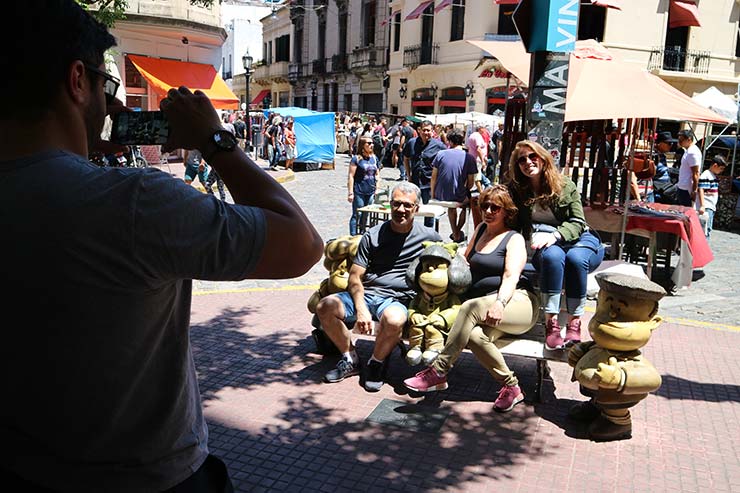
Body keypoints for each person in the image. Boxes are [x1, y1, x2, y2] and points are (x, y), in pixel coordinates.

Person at [0, 2, 323, 490]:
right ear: (77, 81)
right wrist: (215, 141)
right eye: (107, 88)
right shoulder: (134, 203)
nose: (113, 107)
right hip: (148, 475)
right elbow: (301, 245)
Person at [403, 185, 540, 412]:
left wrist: (499, 303)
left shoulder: (513, 239)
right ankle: (512, 387)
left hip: (517, 303)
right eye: (484, 205)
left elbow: (510, 276)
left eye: (494, 207)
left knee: (470, 306)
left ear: (507, 211)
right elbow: (463, 263)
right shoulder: (480, 230)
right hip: (486, 309)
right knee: (475, 336)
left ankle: (438, 371)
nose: (487, 210)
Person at [315, 182, 442, 392]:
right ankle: (350, 358)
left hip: (397, 298)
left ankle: (376, 362)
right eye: (397, 204)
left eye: (407, 206)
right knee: (324, 306)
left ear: (416, 208)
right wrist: (360, 308)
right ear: (389, 205)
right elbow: (355, 276)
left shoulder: (430, 238)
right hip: (367, 293)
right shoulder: (373, 235)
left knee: (394, 320)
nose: (401, 210)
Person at [507, 140, 604, 351]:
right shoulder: (517, 190)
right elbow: (508, 217)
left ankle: (574, 324)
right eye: (521, 160)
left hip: (578, 239)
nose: (528, 162)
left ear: (543, 158)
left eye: (532, 156)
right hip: (545, 244)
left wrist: (557, 235)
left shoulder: (564, 185)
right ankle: (551, 325)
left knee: (576, 260)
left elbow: (578, 222)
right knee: (553, 257)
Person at [430, 128, 478, 242]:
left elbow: (433, 177)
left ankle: (455, 233)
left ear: (450, 141)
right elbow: (471, 182)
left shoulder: (440, 154)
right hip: (458, 195)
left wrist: (433, 194)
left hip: (440, 194)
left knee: (452, 208)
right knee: (465, 205)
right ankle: (457, 232)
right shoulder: (469, 157)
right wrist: (466, 189)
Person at [403, 119, 448, 227]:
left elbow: (445, 161)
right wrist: (408, 175)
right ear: (419, 130)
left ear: (432, 131)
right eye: (424, 130)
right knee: (410, 208)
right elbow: (406, 158)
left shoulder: (439, 145)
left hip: (429, 183)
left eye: (429, 130)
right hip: (414, 182)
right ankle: (410, 231)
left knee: (429, 212)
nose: (426, 133)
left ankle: (429, 234)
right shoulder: (412, 143)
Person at [348, 137, 379, 235]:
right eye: (369, 143)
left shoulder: (374, 158)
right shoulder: (356, 159)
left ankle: (362, 233)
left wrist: (377, 188)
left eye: (372, 143)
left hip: (370, 191)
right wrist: (350, 193)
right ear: (362, 145)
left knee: (366, 213)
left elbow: (377, 174)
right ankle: (353, 235)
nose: (371, 145)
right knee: (357, 214)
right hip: (359, 191)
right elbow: (351, 176)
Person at [697, 155, 727, 238]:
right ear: (715, 166)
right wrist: (703, 205)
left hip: (710, 206)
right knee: (706, 230)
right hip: (707, 206)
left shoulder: (711, 175)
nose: (721, 171)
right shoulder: (706, 175)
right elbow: (701, 190)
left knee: (707, 229)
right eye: (721, 168)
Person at [676, 129, 702, 207]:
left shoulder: (692, 152)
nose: (679, 142)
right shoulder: (689, 151)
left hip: (686, 189)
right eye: (679, 139)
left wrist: (694, 190)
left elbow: (696, 173)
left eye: (681, 140)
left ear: (689, 139)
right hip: (683, 186)